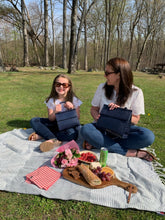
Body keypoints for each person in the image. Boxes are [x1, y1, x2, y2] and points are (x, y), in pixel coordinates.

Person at [80, 57, 156, 161]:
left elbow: (136, 119)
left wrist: (120, 113)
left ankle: (100, 143)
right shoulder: (102, 88)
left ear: (119, 74)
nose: (104, 76)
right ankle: (128, 152)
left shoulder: (136, 92)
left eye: (107, 73)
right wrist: (97, 117)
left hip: (122, 132)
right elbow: (94, 109)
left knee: (148, 136)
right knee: (86, 129)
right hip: (102, 129)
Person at [29, 74, 82, 152]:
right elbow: (51, 118)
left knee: (72, 135)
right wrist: (55, 112)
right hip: (55, 124)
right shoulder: (51, 100)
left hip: (68, 126)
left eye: (65, 85)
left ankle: (43, 134)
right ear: (54, 86)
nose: (61, 87)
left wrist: (72, 108)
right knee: (34, 120)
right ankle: (52, 139)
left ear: (69, 87)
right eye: (58, 84)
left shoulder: (74, 99)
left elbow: (77, 118)